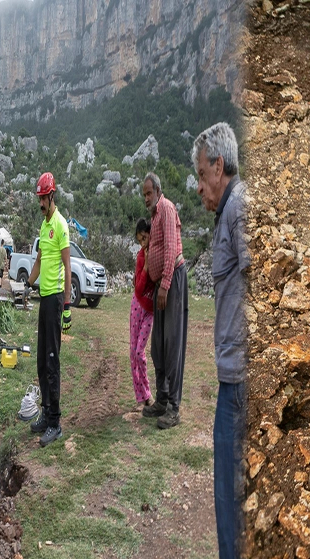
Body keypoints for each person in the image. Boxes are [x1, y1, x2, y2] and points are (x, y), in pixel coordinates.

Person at [193, 122, 249, 559]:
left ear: (217, 165)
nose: (198, 187)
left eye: (199, 175)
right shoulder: (229, 210)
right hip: (233, 376)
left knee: (231, 500)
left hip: (241, 383)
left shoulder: (239, 207)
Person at [23, 172, 71, 447]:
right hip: (44, 298)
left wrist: (66, 307)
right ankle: (45, 413)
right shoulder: (44, 226)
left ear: (52, 196)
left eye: (43, 198)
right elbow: (40, 260)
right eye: (39, 198)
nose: (40, 203)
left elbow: (67, 267)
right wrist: (27, 283)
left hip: (55, 300)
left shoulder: (61, 225)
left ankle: (55, 423)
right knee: (42, 360)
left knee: (52, 363)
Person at [140, 172, 188, 430]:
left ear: (158, 190)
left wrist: (165, 285)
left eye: (149, 193)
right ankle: (161, 399)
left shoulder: (166, 209)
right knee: (158, 345)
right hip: (162, 286)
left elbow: (170, 248)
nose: (146, 198)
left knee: (172, 346)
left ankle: (174, 408)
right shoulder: (154, 215)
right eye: (144, 194)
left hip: (172, 283)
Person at [129, 218, 154, 408]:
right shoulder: (140, 257)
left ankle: (147, 391)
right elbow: (138, 287)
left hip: (150, 311)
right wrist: (145, 268)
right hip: (138, 305)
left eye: (144, 238)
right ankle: (142, 396)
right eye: (139, 241)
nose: (142, 243)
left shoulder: (157, 254)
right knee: (133, 352)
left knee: (140, 352)